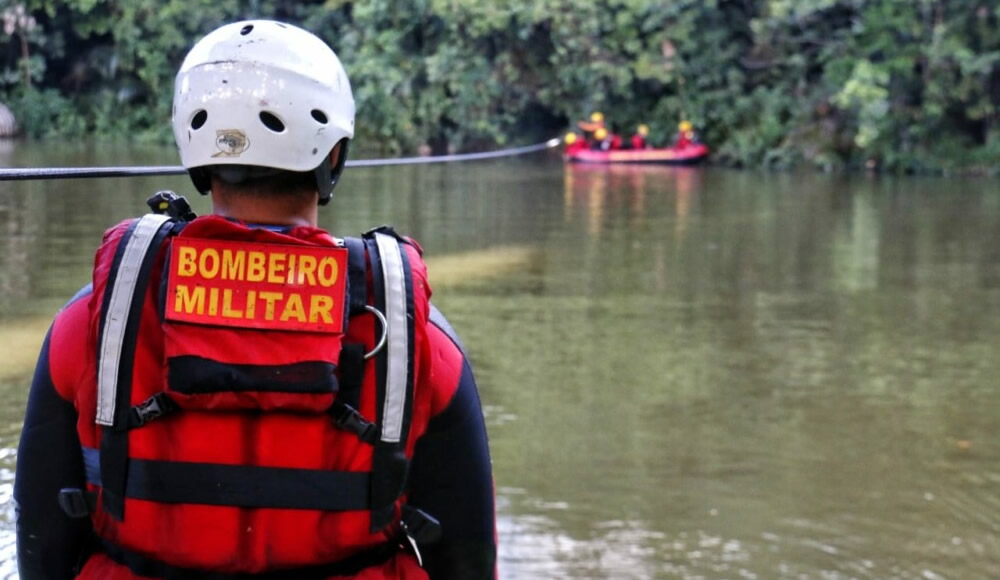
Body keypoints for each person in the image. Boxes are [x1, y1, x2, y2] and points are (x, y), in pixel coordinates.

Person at [14, 20, 496, 580]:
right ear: (334, 158)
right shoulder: (416, 340)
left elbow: (41, 536)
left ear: (197, 157)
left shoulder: (93, 323)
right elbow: (468, 555)